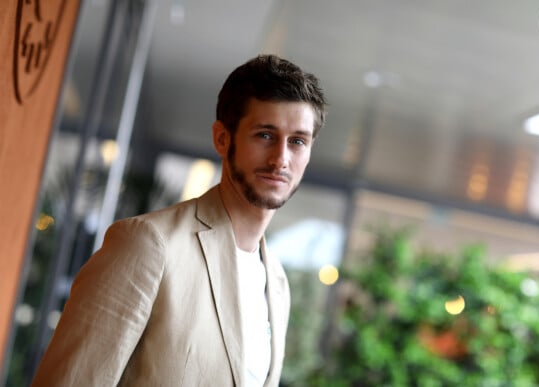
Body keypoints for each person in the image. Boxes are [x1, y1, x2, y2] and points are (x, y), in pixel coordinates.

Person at [31, 54, 327, 386]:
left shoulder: (277, 281)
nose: (281, 159)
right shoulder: (148, 244)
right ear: (222, 138)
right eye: (265, 135)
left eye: (298, 141)